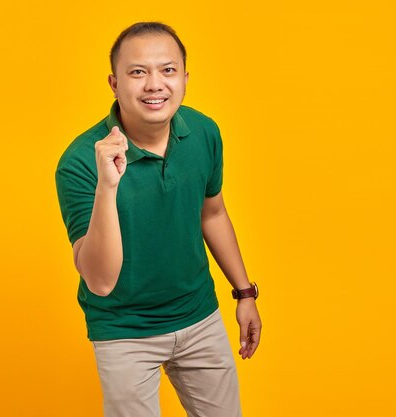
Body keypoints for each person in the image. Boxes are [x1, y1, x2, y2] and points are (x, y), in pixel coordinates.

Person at [55, 21, 262, 417]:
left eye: (167, 70)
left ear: (184, 78)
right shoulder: (80, 162)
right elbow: (99, 281)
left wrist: (244, 292)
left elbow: (212, 212)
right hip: (124, 330)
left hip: (199, 315)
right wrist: (108, 186)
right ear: (115, 83)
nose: (155, 85)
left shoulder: (203, 132)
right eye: (138, 72)